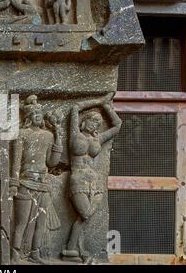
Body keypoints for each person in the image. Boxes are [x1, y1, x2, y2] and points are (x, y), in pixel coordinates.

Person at [62, 94, 122, 263]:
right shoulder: (76, 135)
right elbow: (75, 108)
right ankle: (74, 249)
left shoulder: (98, 138)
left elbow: (118, 125)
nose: (95, 124)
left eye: (98, 122)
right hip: (77, 179)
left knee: (83, 217)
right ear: (84, 121)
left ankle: (71, 249)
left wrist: (107, 107)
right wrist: (98, 101)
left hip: (94, 181)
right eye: (92, 120)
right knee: (85, 214)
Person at [10, 95, 63, 263]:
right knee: (22, 221)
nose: (38, 115)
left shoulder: (48, 136)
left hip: (42, 183)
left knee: (41, 221)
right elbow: (16, 161)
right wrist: (14, 182)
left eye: (40, 113)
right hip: (25, 182)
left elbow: (51, 162)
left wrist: (58, 135)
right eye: (35, 113)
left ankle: (35, 252)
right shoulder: (22, 134)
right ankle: (15, 253)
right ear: (28, 117)